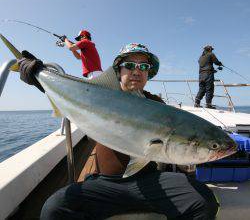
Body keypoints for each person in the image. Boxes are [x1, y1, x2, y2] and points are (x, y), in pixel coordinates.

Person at [18, 43, 219, 220]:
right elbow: (73, 96)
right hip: (106, 184)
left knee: (203, 201)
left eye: (143, 67)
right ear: (118, 71)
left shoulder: (157, 105)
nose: (136, 71)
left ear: (149, 73)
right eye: (130, 65)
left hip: (149, 182)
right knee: (55, 208)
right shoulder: (97, 96)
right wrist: (39, 77)